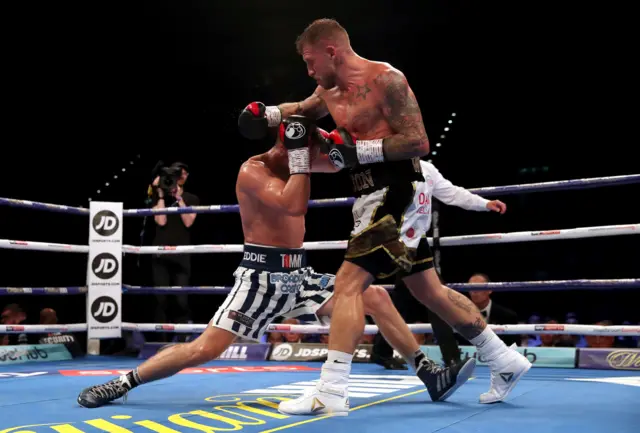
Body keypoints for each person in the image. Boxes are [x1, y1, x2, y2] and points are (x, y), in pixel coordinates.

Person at [76, 115, 475, 409]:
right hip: (260, 276)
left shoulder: (301, 158)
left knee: (377, 299)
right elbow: (293, 204)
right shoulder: (253, 170)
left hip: (297, 273)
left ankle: (428, 374)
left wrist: (347, 140)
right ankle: (123, 382)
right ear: (286, 148)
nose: (315, 160)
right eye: (307, 154)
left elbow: (345, 160)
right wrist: (303, 158)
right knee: (205, 349)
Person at [239, 18, 530, 415]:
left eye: (310, 62)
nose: (308, 72)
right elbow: (302, 111)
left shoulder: (386, 80)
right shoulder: (329, 89)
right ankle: (504, 360)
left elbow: (418, 141)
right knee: (429, 291)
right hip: (370, 194)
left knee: (347, 286)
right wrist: (267, 113)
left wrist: (360, 152)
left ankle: (331, 390)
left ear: (331, 51)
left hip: (396, 192)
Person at [373, 162, 510, 366]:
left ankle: (381, 353)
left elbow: (451, 193)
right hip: (386, 237)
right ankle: (457, 357)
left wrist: (484, 203)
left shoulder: (426, 168)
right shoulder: (382, 163)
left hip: (415, 241)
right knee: (434, 296)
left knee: (416, 296)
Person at [150, 162, 199, 340]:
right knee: (161, 299)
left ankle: (183, 337)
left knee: (181, 299)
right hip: (160, 254)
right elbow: (161, 221)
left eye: (184, 173)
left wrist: (179, 198)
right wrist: (161, 195)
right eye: (178, 174)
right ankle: (160, 340)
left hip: (182, 254)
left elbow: (188, 222)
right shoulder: (157, 197)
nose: (181, 176)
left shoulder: (191, 198)